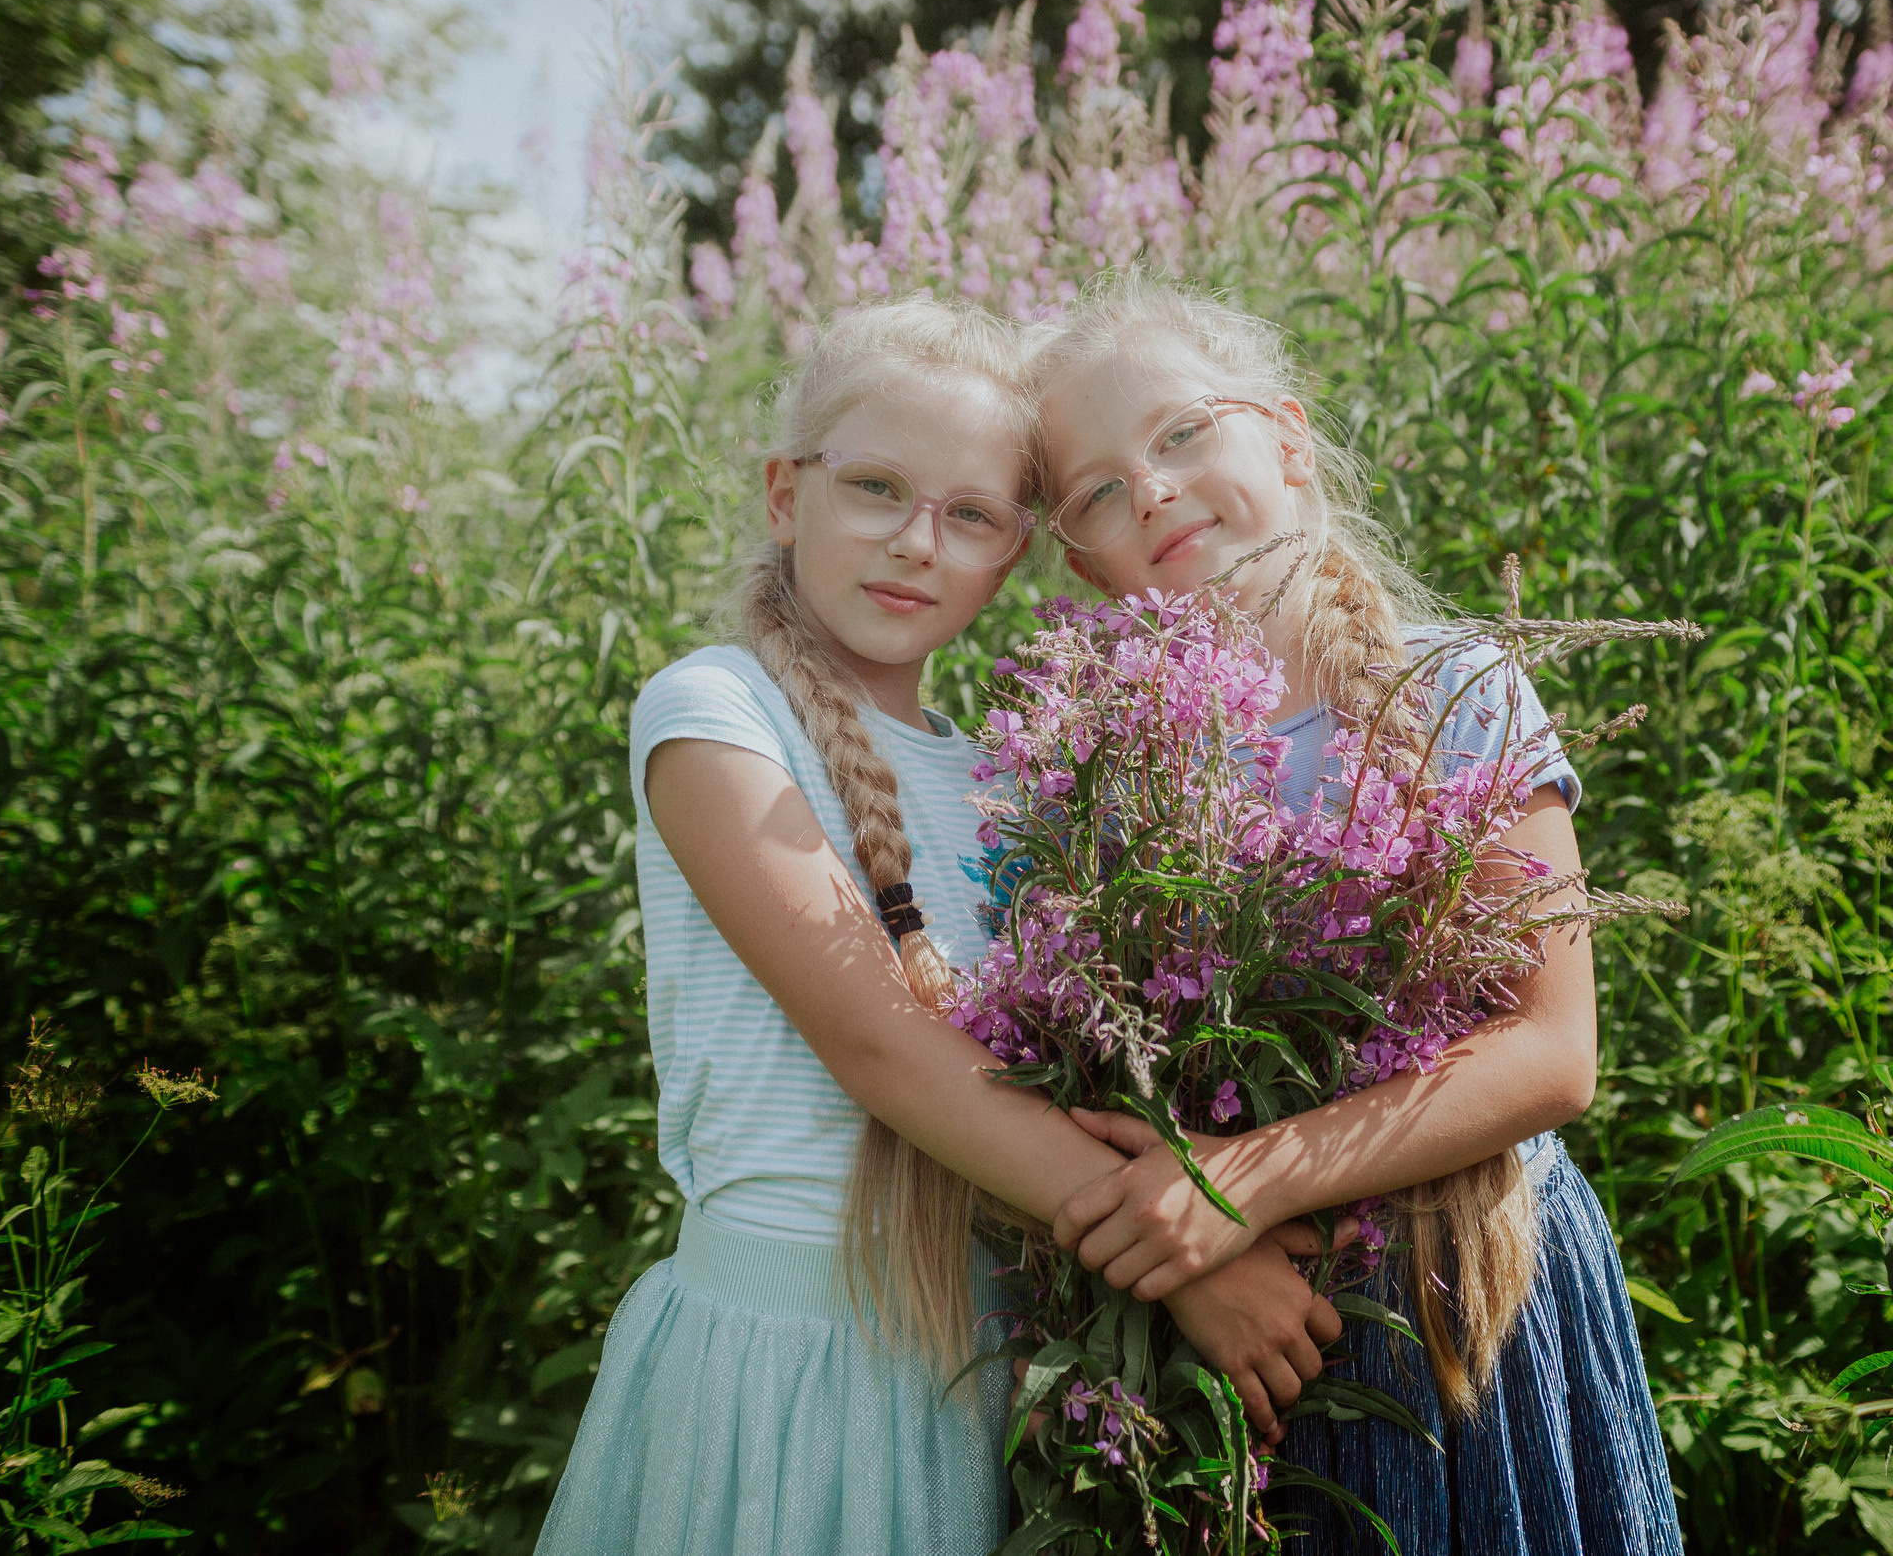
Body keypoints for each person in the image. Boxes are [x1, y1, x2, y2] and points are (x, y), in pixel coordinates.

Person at [536, 295, 1343, 1556]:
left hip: (984, 1368)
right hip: (787, 1366)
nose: (917, 544)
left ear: (1015, 553)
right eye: (874, 489)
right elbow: (883, 1050)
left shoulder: (1009, 786)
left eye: (969, 515)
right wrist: (1187, 1252)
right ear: (783, 495)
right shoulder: (715, 714)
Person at [1021, 274, 1685, 1556]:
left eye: (1179, 435)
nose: (1148, 490)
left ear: (1285, 434)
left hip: (1471, 1308)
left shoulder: (1453, 690)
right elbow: (1076, 1075)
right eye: (1097, 489)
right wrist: (1201, 1261)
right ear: (1079, 561)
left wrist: (1238, 1189)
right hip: (1237, 1354)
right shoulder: (1099, 774)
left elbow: (1554, 1056)